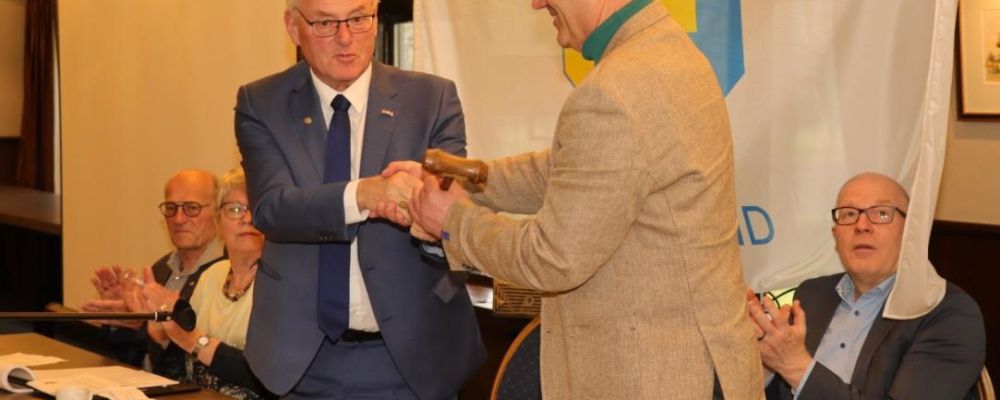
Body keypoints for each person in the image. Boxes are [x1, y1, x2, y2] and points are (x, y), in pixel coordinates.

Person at [383, 0, 763, 398]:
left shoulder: (617, 90)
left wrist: (452, 223)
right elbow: (570, 169)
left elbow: (553, 257)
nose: (537, 3)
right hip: (699, 368)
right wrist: (461, 180)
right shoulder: (666, 49)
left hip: (656, 380)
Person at [233, 0, 486, 398]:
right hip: (301, 359)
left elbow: (452, 214)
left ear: (376, 15)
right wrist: (364, 194)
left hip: (414, 358)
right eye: (325, 23)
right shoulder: (262, 102)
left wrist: (425, 214)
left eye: (358, 18)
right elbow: (273, 207)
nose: (346, 38)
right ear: (293, 27)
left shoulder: (431, 99)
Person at [746, 172, 986, 399]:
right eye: (849, 214)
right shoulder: (813, 294)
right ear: (836, 234)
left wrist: (795, 365)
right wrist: (766, 365)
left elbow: (797, 371)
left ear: (910, 231)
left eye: (881, 213)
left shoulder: (946, 312)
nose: (861, 226)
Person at [131, 167, 271, 400]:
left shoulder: (283, 284)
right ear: (218, 221)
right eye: (235, 209)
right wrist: (160, 334)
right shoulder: (211, 277)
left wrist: (194, 340)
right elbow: (180, 373)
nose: (247, 219)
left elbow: (270, 380)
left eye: (256, 209)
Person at [81, 169, 225, 370]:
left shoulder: (227, 275)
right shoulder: (161, 269)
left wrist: (148, 327)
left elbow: (204, 360)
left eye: (192, 208)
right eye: (171, 208)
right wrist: (124, 320)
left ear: (219, 213)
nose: (178, 219)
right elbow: (133, 356)